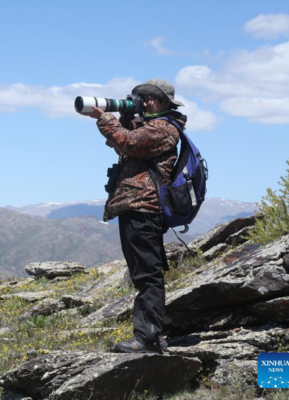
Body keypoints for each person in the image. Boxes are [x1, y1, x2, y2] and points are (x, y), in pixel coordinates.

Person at [87, 79, 186, 354]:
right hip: (135, 207)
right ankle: (152, 334)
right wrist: (125, 116)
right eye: (142, 98)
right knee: (143, 274)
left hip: (144, 207)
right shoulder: (150, 126)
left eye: (149, 99)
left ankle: (148, 338)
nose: (146, 102)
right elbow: (121, 144)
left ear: (163, 102)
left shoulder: (164, 128)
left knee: (147, 276)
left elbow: (128, 142)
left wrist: (104, 117)